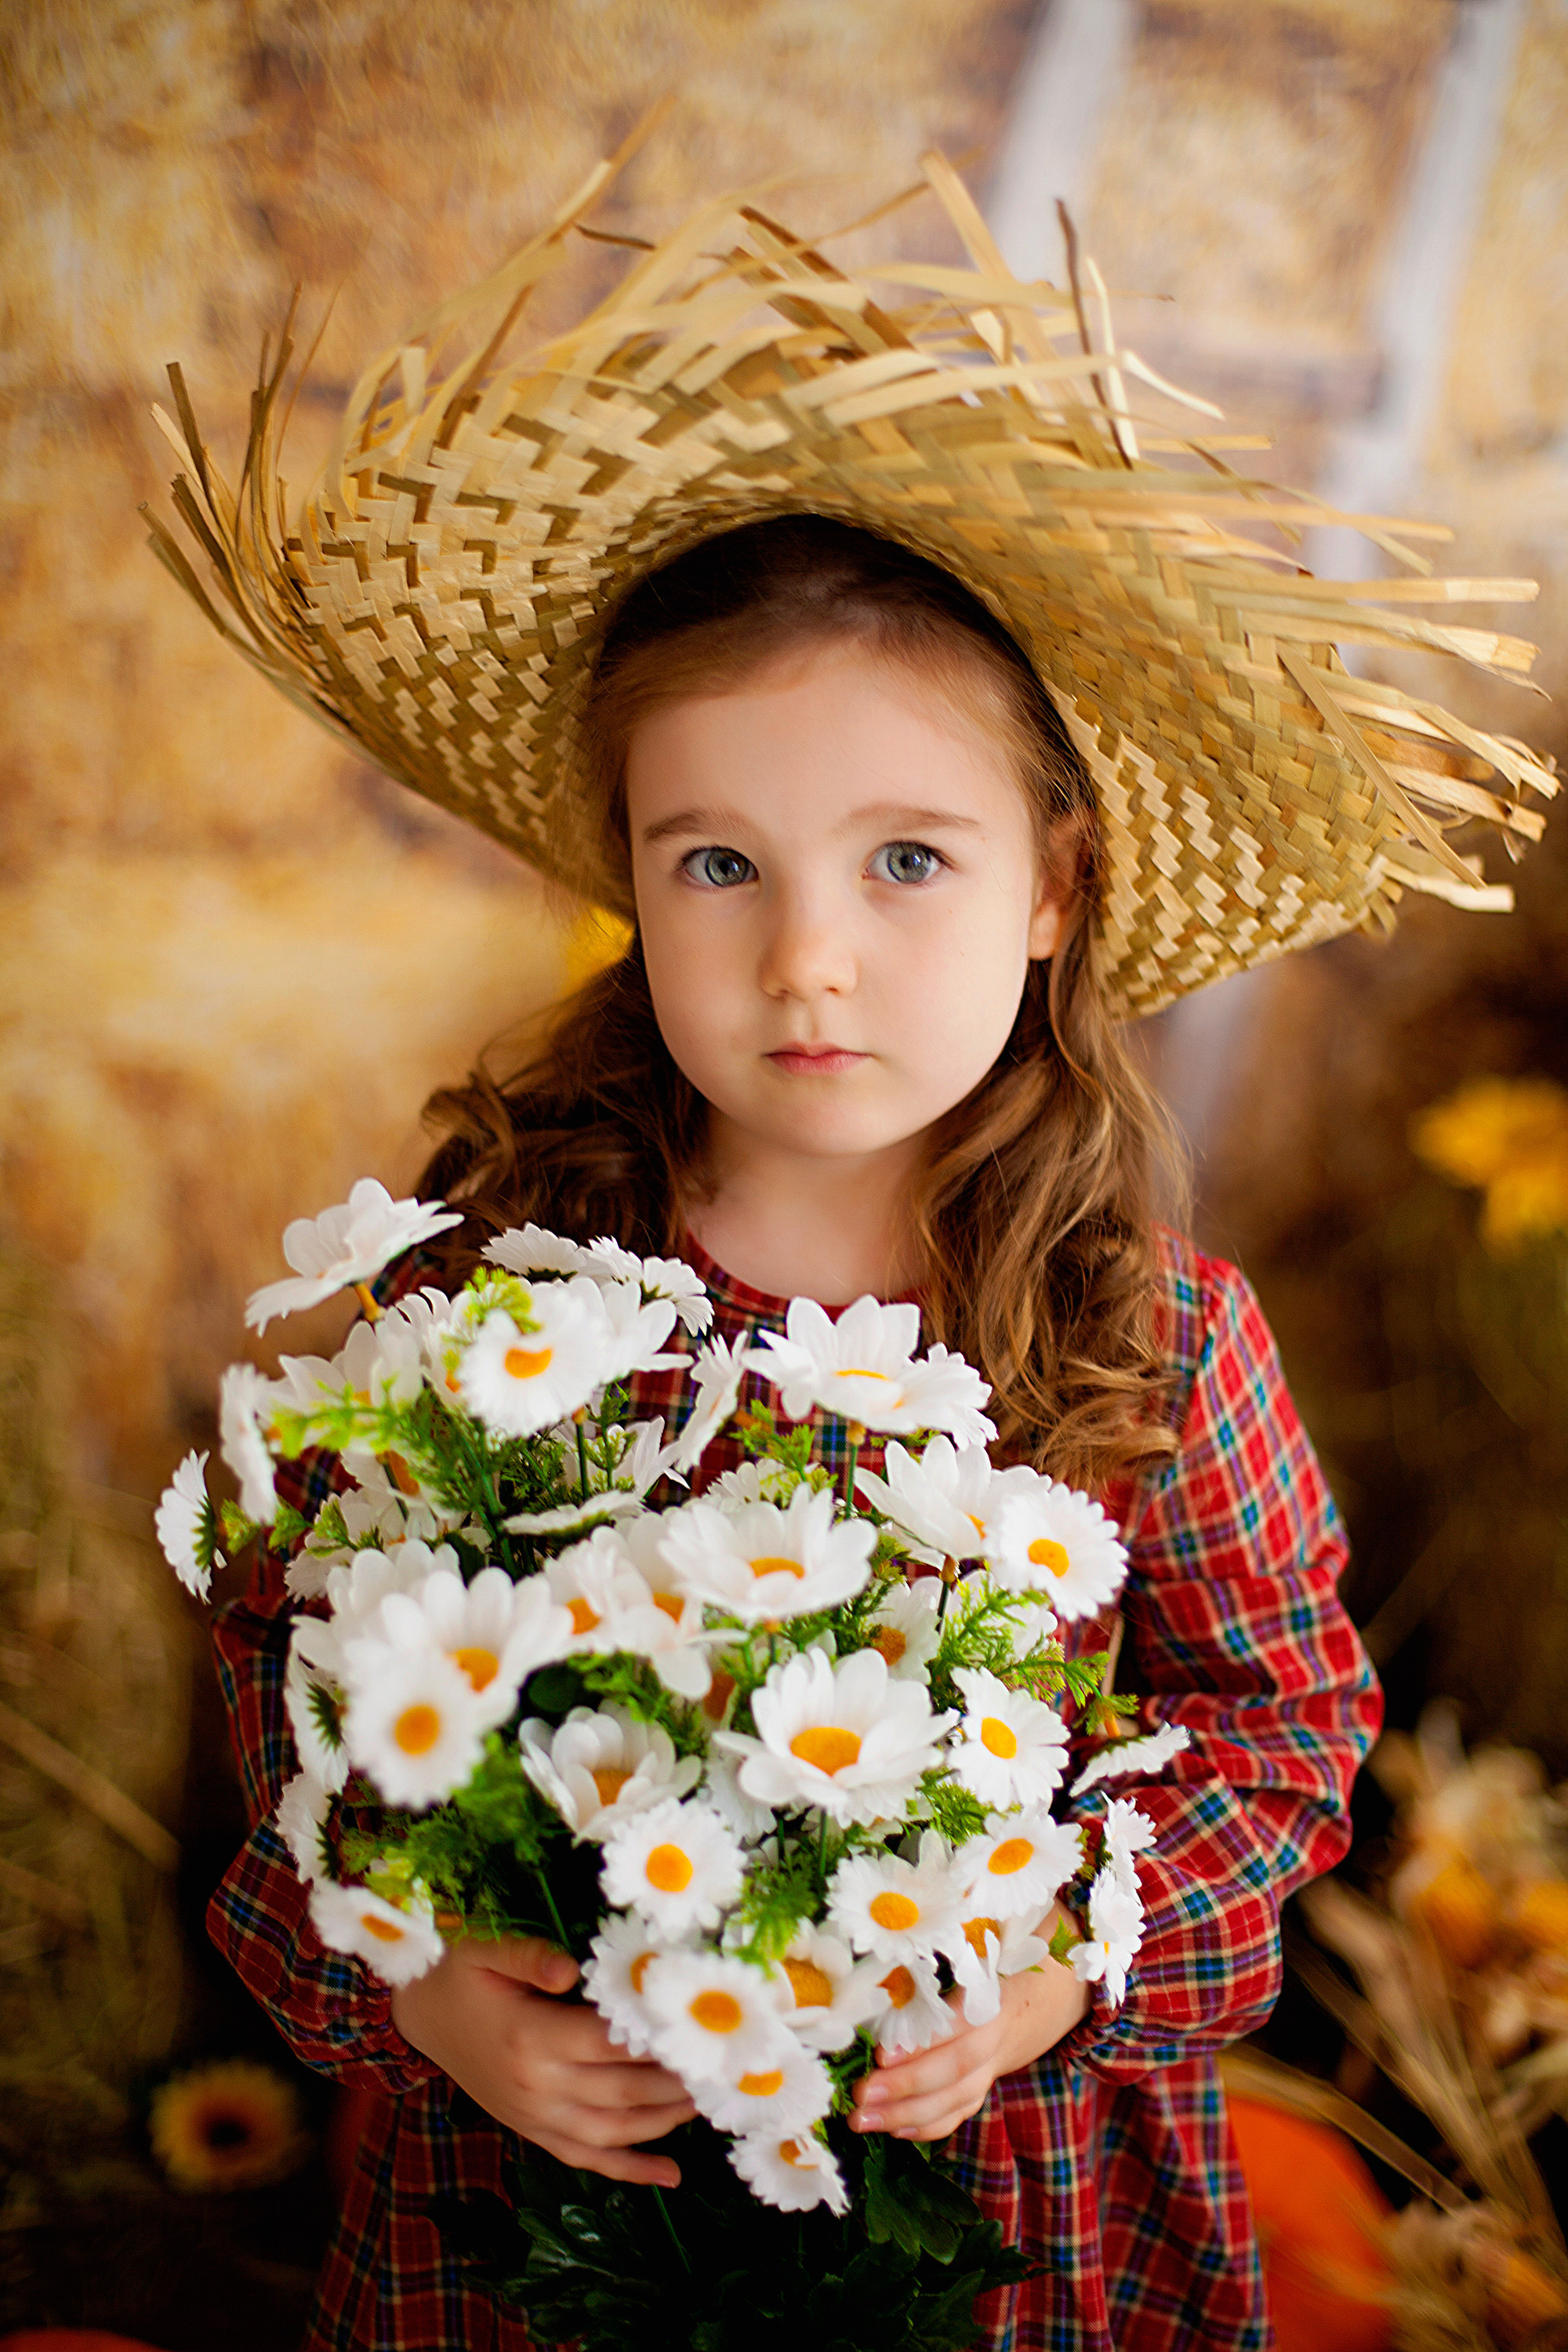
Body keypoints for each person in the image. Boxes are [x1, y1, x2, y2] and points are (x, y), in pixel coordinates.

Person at [167, 162, 1545, 2352]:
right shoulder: (501, 1313)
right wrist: (422, 1988)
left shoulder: (1154, 1342)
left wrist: (1049, 1980)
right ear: (629, 874)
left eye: (908, 857)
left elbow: (1280, 1741)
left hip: (996, 2216)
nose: (808, 958)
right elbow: (292, 1685)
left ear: (1053, 890)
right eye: (719, 862)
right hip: (546, 2218)